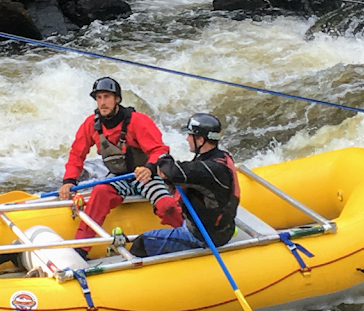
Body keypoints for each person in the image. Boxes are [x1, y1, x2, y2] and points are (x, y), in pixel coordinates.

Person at [57, 77, 182, 257]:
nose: (102, 102)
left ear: (117, 99)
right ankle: (80, 250)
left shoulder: (138, 121)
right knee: (100, 192)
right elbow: (77, 155)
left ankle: (191, 234)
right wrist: (69, 181)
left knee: (167, 206)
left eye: (107, 97)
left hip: (146, 176)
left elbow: (160, 151)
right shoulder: (91, 124)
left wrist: (149, 168)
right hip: (118, 178)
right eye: (99, 98)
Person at [130, 113, 241, 257]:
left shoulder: (210, 168)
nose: (187, 139)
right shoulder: (221, 157)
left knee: (141, 243)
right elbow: (183, 174)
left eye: (190, 135)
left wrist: (161, 155)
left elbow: (173, 170)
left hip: (203, 236)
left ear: (200, 140)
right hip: (219, 228)